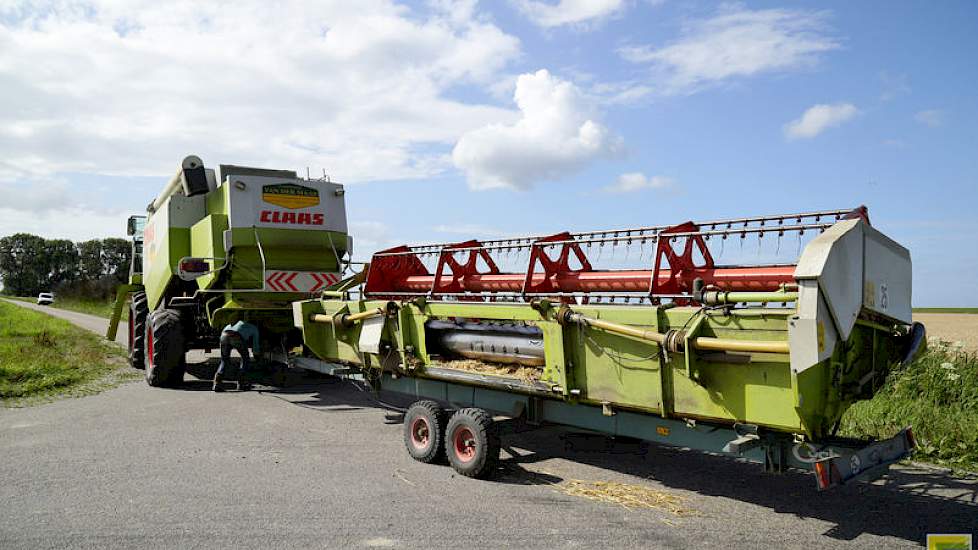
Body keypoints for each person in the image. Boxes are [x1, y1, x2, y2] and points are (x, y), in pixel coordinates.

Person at [214, 319, 261, 392]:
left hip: (224, 335)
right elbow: (255, 345)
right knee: (245, 359)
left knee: (224, 360)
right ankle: (241, 383)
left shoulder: (233, 324)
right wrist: (256, 355)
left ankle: (217, 383)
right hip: (236, 336)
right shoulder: (254, 328)